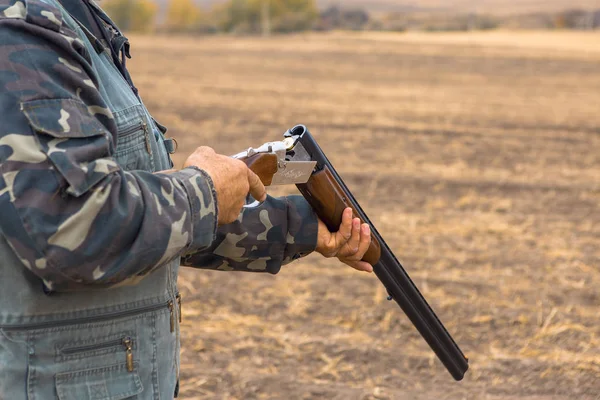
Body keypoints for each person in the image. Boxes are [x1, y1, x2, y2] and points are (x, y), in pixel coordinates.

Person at [0, 0, 373, 398]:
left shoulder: (76, 19)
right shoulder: (19, 26)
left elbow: (139, 211)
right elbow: (72, 229)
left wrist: (299, 228)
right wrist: (205, 191)